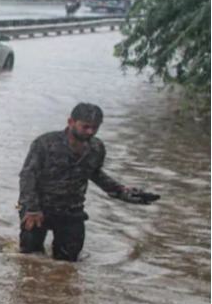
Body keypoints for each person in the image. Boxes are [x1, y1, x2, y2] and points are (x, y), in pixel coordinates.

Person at [17, 103, 160, 262]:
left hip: (72, 210)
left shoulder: (96, 148)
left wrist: (121, 191)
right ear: (71, 122)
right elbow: (27, 175)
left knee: (68, 263)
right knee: (30, 259)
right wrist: (31, 208)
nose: (90, 132)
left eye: (95, 127)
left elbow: (94, 173)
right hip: (38, 208)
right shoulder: (45, 143)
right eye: (85, 127)